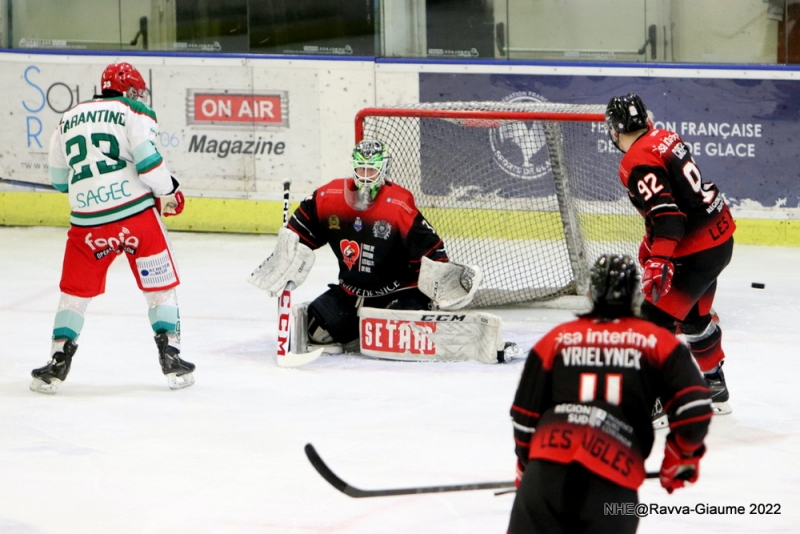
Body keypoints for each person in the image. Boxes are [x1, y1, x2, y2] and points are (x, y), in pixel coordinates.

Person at [508, 254, 713, 534]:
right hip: (613, 488)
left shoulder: (555, 340)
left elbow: (524, 417)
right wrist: (680, 459)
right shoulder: (658, 341)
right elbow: (695, 409)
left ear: (591, 293)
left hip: (544, 477)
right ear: (635, 295)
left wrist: (526, 468)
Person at [30, 62, 194, 394]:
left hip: (88, 223)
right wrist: (169, 189)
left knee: (73, 296)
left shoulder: (67, 118)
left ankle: (56, 363)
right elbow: (148, 163)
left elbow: (60, 182)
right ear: (131, 90)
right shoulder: (134, 111)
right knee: (159, 288)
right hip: (135, 217)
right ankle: (172, 359)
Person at [249, 139, 478, 353]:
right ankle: (358, 328)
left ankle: (379, 321)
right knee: (316, 331)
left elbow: (430, 251)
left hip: (396, 292)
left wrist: (440, 286)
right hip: (352, 292)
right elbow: (300, 231)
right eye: (361, 169)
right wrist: (285, 253)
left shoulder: (398, 206)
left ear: (384, 170)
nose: (366, 177)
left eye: (372, 170)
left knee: (397, 331)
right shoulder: (331, 197)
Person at [605, 93, 735, 416]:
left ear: (616, 130)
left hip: (695, 249)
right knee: (693, 318)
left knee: (652, 321)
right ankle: (714, 385)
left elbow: (668, 216)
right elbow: (680, 199)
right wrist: (652, 246)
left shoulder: (635, 160)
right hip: (719, 237)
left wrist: (660, 258)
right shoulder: (665, 137)